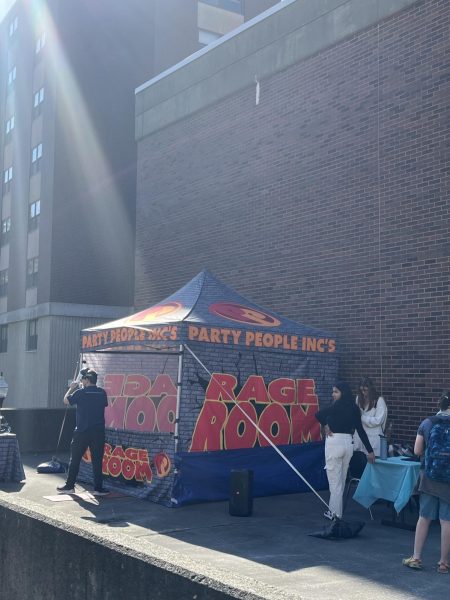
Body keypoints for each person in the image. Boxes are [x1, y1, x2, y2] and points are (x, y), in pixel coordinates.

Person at [402, 392, 450, 573]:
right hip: (449, 479)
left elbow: (417, 450)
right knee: (447, 521)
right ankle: (444, 563)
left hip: (429, 476)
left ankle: (416, 558)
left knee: (424, 517)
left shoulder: (428, 422)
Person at [315, 381, 375, 519]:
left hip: (334, 443)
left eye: (336, 391)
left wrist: (325, 425)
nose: (333, 394)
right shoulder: (354, 408)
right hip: (348, 443)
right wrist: (370, 450)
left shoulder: (336, 407)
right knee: (341, 481)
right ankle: (334, 512)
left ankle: (336, 515)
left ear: (343, 393)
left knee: (335, 483)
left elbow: (318, 415)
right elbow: (360, 430)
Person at [56, 368, 109, 496]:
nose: (82, 381)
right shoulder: (102, 393)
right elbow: (104, 405)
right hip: (98, 432)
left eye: (83, 379)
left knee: (75, 460)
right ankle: (98, 488)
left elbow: (65, 401)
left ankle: (69, 486)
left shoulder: (80, 392)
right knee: (97, 460)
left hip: (82, 432)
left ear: (86, 379)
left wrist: (72, 387)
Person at [353, 377, 388, 457]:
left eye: (365, 390)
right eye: (361, 390)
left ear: (370, 389)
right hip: (360, 440)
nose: (363, 393)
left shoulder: (379, 400)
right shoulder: (358, 399)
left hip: (374, 440)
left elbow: (378, 420)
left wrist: (361, 418)